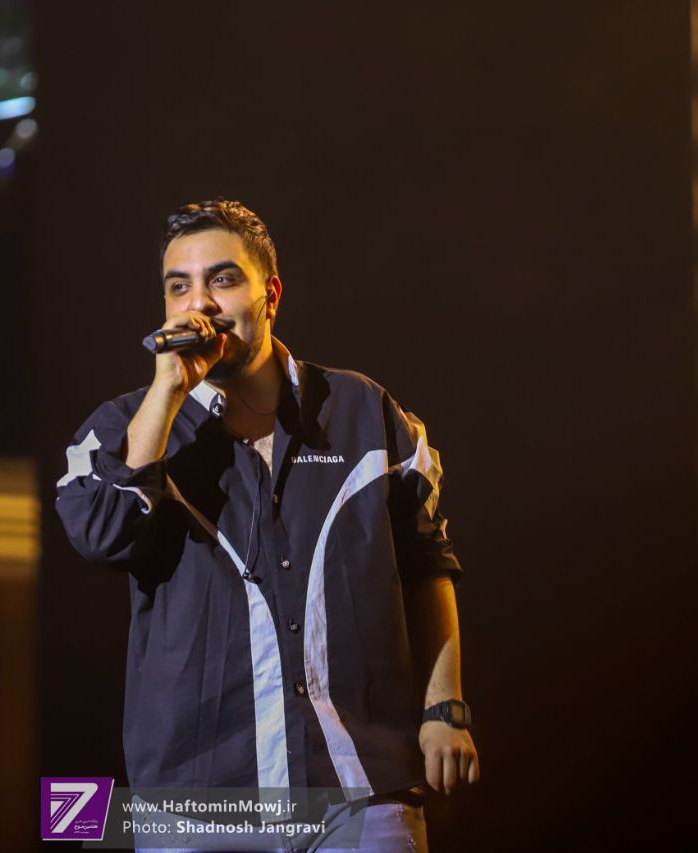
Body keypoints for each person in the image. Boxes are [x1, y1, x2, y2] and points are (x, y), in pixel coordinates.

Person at [55, 199, 479, 851]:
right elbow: (103, 534)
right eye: (179, 287)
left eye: (222, 280)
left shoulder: (364, 412)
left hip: (360, 787)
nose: (200, 304)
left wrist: (443, 708)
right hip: (197, 799)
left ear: (270, 295)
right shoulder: (123, 427)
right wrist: (167, 394)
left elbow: (427, 563)